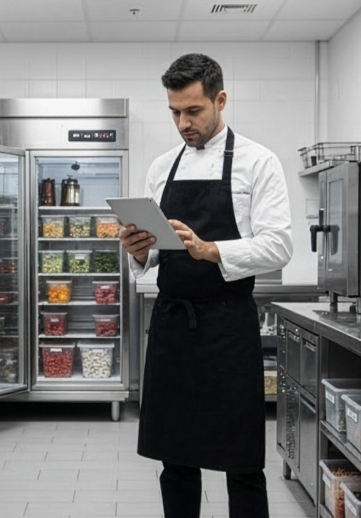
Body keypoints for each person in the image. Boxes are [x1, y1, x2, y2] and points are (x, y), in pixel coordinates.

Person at [119, 53, 293, 518]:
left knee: (242, 463)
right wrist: (139, 250)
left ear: (220, 100)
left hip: (227, 326)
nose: (182, 123)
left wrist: (212, 250)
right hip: (173, 325)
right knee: (174, 460)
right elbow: (154, 254)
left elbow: (279, 247)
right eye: (175, 112)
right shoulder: (162, 167)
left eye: (193, 111)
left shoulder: (258, 162)